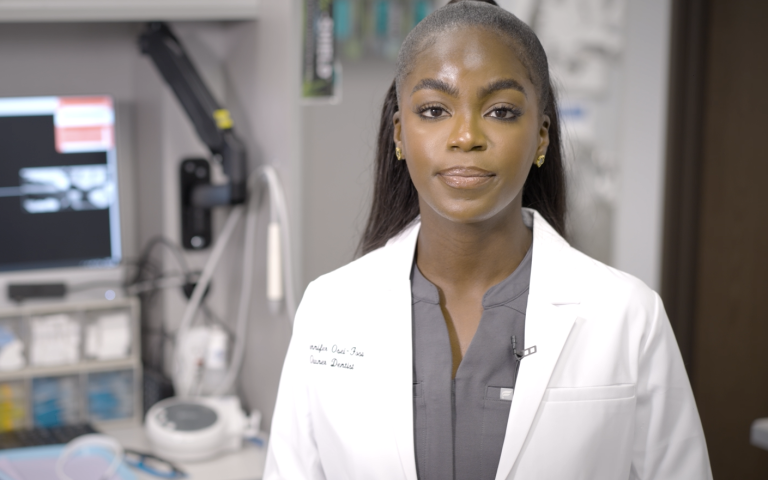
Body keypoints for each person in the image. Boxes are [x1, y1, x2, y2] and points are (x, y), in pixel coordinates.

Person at [264, 1, 712, 478]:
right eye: (435, 109)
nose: (466, 136)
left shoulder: (629, 317)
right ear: (400, 134)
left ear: (541, 138)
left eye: (500, 110)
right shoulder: (329, 309)